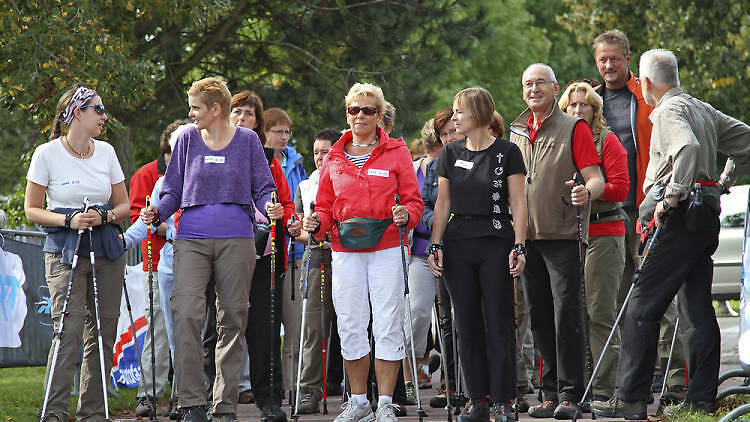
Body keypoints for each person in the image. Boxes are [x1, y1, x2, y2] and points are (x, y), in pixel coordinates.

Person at [593, 49, 750, 420]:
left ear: (646, 83)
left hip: (678, 219)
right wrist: (723, 181)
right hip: (705, 217)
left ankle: (629, 400)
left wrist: (671, 196)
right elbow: (746, 141)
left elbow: (688, 147)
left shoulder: (665, 110)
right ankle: (700, 400)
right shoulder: (701, 107)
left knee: (641, 306)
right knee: (697, 310)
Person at [140, 77, 277, 422]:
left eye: (196, 107)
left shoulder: (247, 141)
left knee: (232, 317)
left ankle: (225, 404)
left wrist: (270, 206)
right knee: (186, 315)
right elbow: (171, 190)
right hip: (191, 240)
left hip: (238, 239)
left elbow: (263, 188)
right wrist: (156, 212)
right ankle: (191, 402)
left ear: (216, 109)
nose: (191, 114)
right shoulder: (186, 138)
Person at [302, 82, 424, 422]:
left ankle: (385, 401)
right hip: (344, 249)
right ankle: (359, 401)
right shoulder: (335, 157)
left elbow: (414, 202)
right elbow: (325, 206)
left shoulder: (397, 152)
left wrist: (408, 215)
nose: (360, 116)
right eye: (353, 110)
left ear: (380, 115)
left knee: (387, 322)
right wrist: (316, 222)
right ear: (347, 113)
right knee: (351, 323)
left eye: (367, 110)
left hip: (386, 245)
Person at [592, 29, 686, 400]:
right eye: (603, 59)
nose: (609, 65)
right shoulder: (590, 102)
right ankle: (626, 384)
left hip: (649, 207)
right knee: (616, 301)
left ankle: (676, 378)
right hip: (609, 214)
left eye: (615, 58)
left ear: (628, 59)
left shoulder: (646, 96)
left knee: (660, 296)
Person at [26, 86, 129, 422]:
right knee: (67, 331)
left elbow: (124, 205)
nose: (104, 116)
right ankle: (54, 412)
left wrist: (107, 216)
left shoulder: (107, 152)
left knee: (104, 330)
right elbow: (32, 210)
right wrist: (68, 219)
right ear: (77, 113)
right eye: (98, 109)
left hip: (106, 249)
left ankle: (93, 412)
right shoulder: (47, 154)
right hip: (65, 251)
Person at [508, 63, 604, 420]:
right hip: (526, 237)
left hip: (563, 235)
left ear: (555, 86)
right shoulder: (516, 131)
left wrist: (584, 192)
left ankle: (571, 394)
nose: (534, 89)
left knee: (567, 316)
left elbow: (596, 179)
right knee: (540, 319)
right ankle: (548, 393)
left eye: (540, 83)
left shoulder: (573, 126)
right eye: (528, 83)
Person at [428, 87, 528, 422]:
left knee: (499, 321)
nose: (454, 118)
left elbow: (518, 202)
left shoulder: (507, 152)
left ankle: (503, 401)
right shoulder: (449, 152)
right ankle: (477, 401)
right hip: (458, 244)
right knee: (465, 323)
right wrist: (436, 245)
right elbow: (442, 204)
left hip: (496, 240)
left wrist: (519, 245)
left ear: (479, 113)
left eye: (459, 111)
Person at [559, 81, 629, 402]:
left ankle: (602, 391)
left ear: (595, 110)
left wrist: (588, 189)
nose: (577, 110)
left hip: (603, 231)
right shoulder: (558, 139)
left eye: (583, 105)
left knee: (600, 314)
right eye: (571, 105)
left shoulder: (608, 140)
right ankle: (575, 387)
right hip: (565, 237)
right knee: (570, 315)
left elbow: (621, 188)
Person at [234, 93, 301, 422]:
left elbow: (286, 205)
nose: (242, 118)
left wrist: (283, 215)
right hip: (219, 250)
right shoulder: (202, 148)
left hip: (264, 253)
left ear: (258, 123)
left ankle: (269, 400)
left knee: (265, 329)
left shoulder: (266, 156)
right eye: (237, 111)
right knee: (215, 328)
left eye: (249, 114)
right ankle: (201, 399)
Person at [128, 118, 186, 416]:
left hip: (193, 261)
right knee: (160, 328)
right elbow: (141, 216)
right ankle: (149, 393)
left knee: (190, 330)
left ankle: (183, 395)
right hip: (159, 262)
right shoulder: (150, 175)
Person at [293, 128, 340, 414]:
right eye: (316, 153)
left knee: (350, 323)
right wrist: (307, 230)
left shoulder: (348, 178)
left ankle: (355, 389)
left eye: (326, 152)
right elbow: (298, 229)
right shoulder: (305, 186)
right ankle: (309, 390)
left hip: (347, 254)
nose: (320, 158)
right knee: (313, 327)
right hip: (318, 254)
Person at [262, 107, 306, 402]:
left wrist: (290, 219)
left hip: (287, 248)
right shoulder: (258, 159)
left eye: (287, 131)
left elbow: (290, 202)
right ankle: (263, 387)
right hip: (258, 250)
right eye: (278, 131)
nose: (284, 136)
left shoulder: (289, 162)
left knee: (292, 324)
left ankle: (290, 387)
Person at [423, 106, 463, 410]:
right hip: (443, 246)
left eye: (453, 131)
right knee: (446, 319)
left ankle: (474, 383)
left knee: (473, 318)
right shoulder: (435, 166)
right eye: (444, 133)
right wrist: (438, 223)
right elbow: (423, 206)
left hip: (476, 246)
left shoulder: (479, 159)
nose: (450, 137)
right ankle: (449, 382)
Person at [402, 119, 442, 402]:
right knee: (415, 313)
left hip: (454, 251)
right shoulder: (413, 170)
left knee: (451, 320)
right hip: (418, 252)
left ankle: (451, 382)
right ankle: (409, 380)